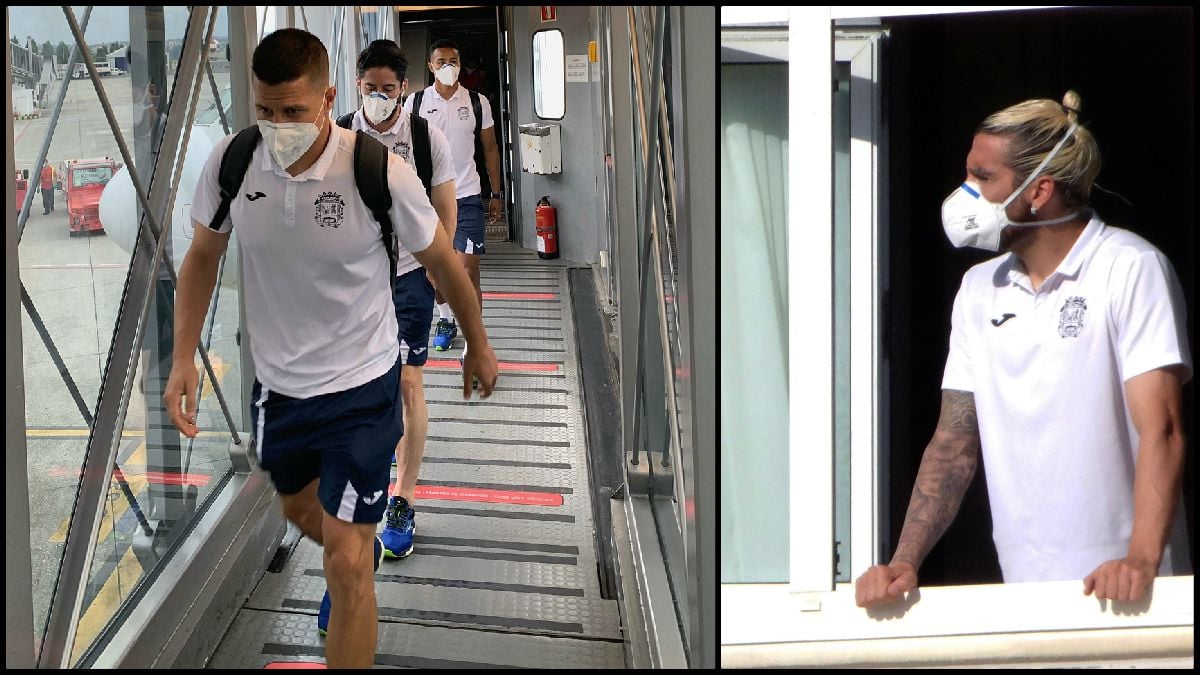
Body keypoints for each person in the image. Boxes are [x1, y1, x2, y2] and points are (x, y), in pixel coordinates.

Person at [163, 28, 498, 668]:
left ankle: (356, 556)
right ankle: (357, 536)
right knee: (298, 506)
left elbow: (443, 260)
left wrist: (476, 342)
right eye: (264, 110)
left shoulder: (376, 170)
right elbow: (203, 255)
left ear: (327, 99)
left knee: (345, 567)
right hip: (282, 390)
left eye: (292, 111)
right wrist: (183, 356)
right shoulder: (233, 165)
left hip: (364, 386)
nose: (277, 125)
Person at [855, 91, 1191, 608]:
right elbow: (953, 444)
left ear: (1040, 191)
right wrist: (905, 561)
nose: (965, 194)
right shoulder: (977, 289)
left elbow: (1162, 429)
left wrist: (1140, 560)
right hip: (1026, 597)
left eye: (983, 178)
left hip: (1130, 596)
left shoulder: (1129, 266)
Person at [345, 39, 458, 560]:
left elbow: (444, 208)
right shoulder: (342, 135)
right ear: (358, 86)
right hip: (357, 279)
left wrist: (441, 270)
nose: (379, 98)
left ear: (404, 89)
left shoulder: (424, 135)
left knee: (409, 382)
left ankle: (403, 499)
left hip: (411, 274)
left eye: (388, 90)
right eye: (371, 89)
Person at [404, 38, 503, 358]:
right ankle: (446, 321)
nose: (448, 66)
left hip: (468, 195)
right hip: (428, 199)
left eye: (453, 61)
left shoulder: (477, 102)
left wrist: (497, 193)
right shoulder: (415, 103)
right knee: (435, 272)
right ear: (430, 66)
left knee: (466, 270)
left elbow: (489, 148)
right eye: (441, 61)